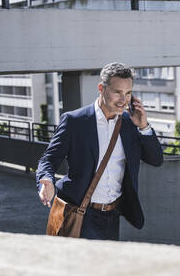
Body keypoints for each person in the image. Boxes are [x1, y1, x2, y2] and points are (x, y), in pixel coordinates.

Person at [36, 62, 163, 240]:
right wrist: (46, 180)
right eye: (117, 92)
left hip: (113, 215)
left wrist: (144, 127)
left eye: (128, 93)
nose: (123, 100)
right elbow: (49, 158)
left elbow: (156, 159)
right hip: (80, 212)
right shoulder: (75, 121)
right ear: (101, 88)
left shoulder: (130, 124)